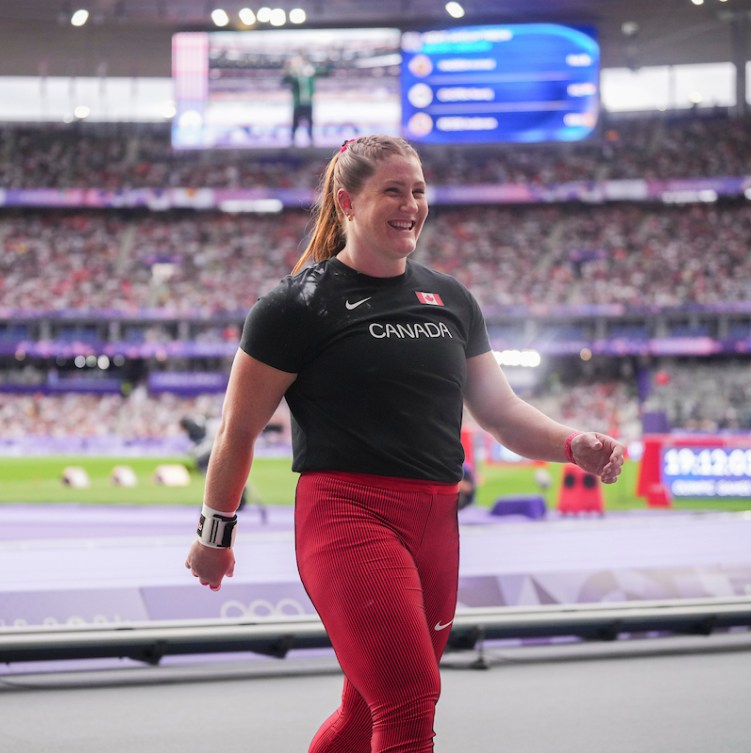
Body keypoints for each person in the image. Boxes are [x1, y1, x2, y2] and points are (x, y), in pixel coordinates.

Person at [185, 134, 625, 753]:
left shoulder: (451, 298)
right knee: (411, 706)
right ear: (346, 201)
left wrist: (572, 443)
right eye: (393, 190)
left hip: (436, 522)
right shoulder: (295, 306)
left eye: (418, 190)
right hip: (347, 515)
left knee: (368, 713)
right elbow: (237, 430)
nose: (411, 204)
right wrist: (214, 536)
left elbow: (500, 411)